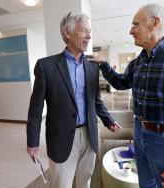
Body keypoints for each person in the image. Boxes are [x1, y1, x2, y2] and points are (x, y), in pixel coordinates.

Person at [89, 3, 164, 188]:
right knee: (146, 185)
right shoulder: (140, 61)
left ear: (154, 23)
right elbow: (121, 82)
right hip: (140, 133)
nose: (131, 31)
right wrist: (104, 64)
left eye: (135, 24)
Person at [26, 12, 120, 188]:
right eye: (84, 30)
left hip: (90, 133)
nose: (89, 36)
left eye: (90, 31)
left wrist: (109, 120)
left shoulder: (93, 65)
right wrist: (32, 142)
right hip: (61, 137)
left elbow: (96, 100)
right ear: (67, 33)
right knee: (61, 183)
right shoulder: (46, 66)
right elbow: (36, 109)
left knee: (85, 181)